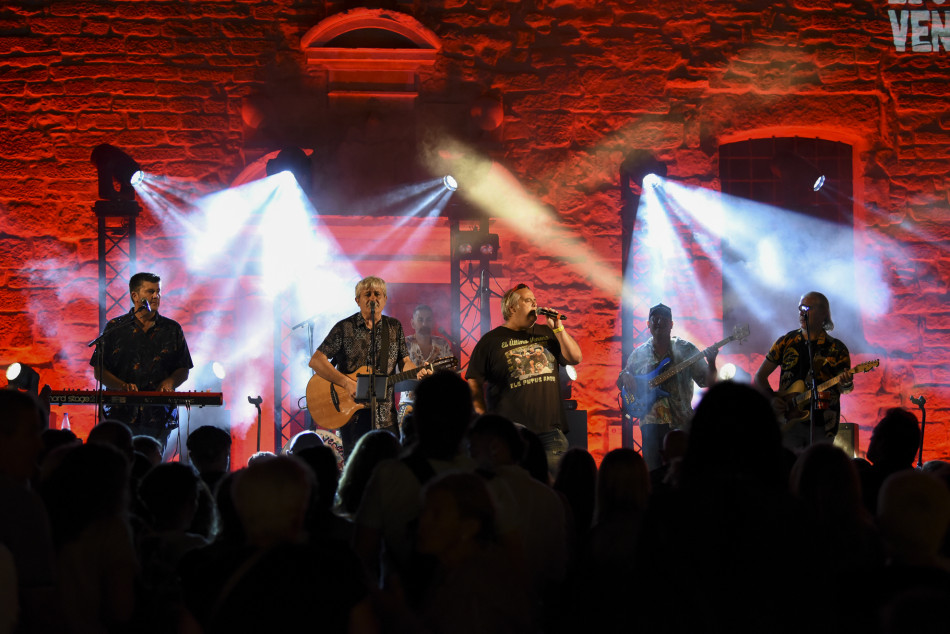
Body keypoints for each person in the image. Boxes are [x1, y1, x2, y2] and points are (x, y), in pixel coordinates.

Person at [466, 283, 582, 474]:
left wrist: (558, 329)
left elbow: (575, 358)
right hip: (510, 433)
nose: (535, 304)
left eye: (535, 301)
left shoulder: (547, 333)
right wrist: (484, 417)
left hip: (550, 432)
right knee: (511, 488)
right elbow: (474, 381)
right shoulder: (490, 341)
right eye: (529, 301)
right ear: (512, 307)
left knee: (551, 489)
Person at [309, 276, 427, 458]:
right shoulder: (344, 328)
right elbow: (316, 360)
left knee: (389, 468)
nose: (373, 298)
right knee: (357, 469)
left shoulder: (394, 327)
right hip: (353, 418)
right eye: (367, 294)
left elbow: (404, 361)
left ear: (385, 299)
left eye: (378, 294)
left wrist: (417, 371)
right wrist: (346, 383)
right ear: (358, 300)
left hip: (386, 415)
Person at [89, 271, 194, 446]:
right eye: (150, 291)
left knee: (152, 465)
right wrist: (122, 386)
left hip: (159, 416)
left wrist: (170, 381)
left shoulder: (172, 329)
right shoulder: (115, 328)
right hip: (120, 416)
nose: (156, 296)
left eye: (158, 291)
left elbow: (183, 369)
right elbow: (100, 371)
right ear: (135, 296)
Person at [616, 303, 717, 471]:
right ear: (648, 325)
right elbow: (621, 382)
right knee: (654, 475)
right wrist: (625, 375)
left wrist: (712, 362)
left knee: (684, 474)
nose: (659, 323)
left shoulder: (686, 349)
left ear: (671, 325)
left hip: (681, 421)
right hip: (651, 424)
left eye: (664, 320)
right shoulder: (639, 354)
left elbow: (706, 381)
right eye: (655, 320)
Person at [754, 291, 852, 450]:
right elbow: (760, 376)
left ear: (823, 313)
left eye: (807, 307)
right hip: (788, 421)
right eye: (800, 307)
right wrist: (772, 398)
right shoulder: (786, 341)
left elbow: (844, 389)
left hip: (823, 424)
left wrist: (846, 384)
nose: (801, 311)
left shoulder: (837, 348)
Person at [397, 304, 454, 427]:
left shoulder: (442, 343)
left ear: (433, 322)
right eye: (420, 320)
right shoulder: (404, 344)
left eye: (428, 320)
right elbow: (396, 373)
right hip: (409, 403)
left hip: (438, 403)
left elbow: (451, 374)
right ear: (413, 323)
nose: (424, 324)